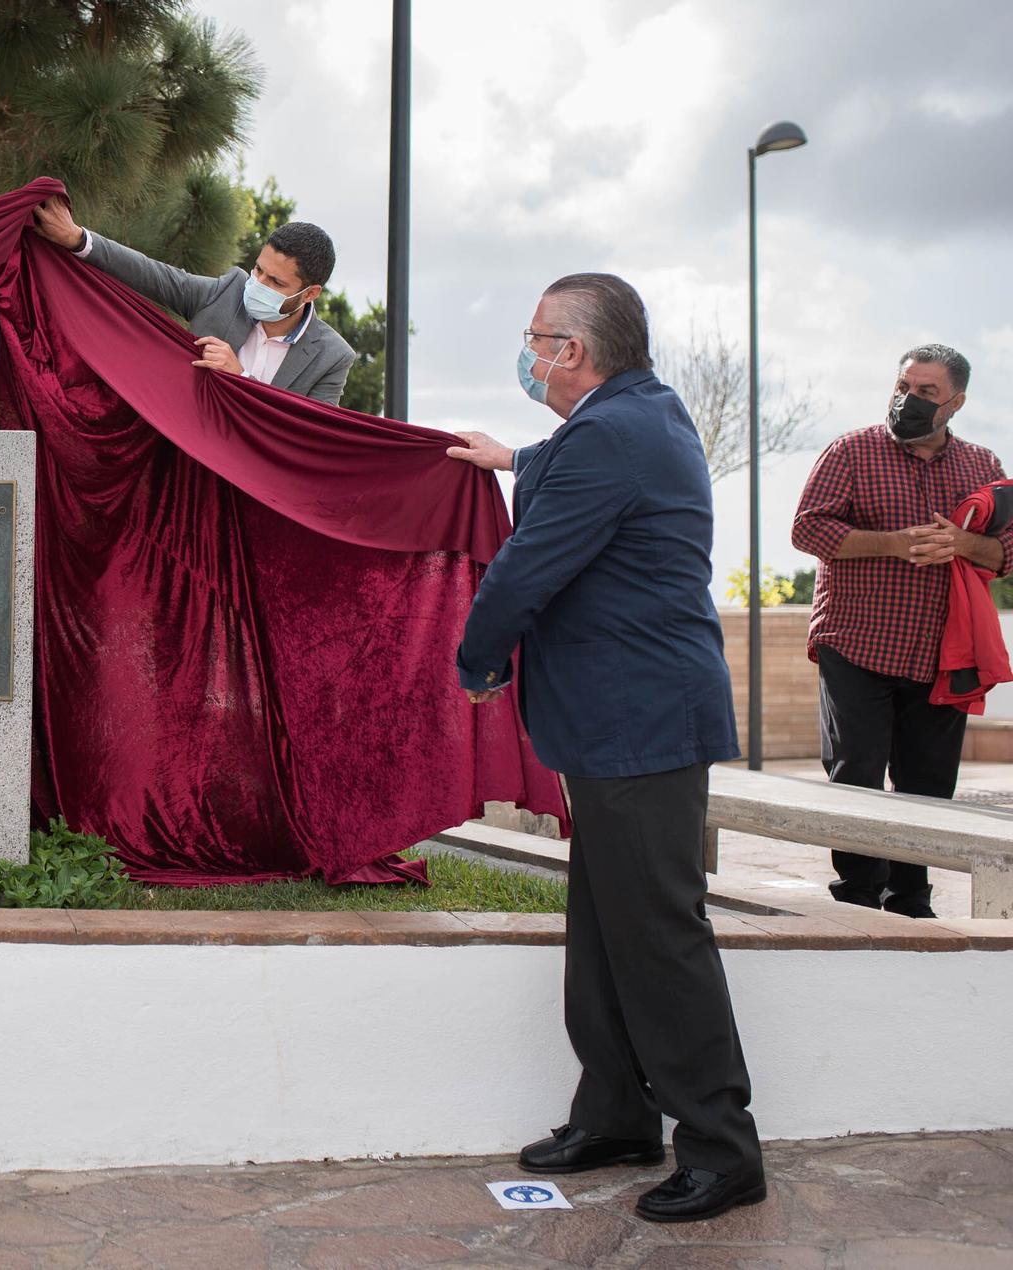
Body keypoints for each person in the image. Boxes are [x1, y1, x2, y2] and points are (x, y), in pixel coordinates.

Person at [446, 274, 764, 1223]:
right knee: (603, 928)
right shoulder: (635, 416)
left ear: (574, 354)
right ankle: (619, 1113)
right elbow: (567, 464)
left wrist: (474, 659)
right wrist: (512, 459)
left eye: (539, 338)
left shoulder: (615, 434)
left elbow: (526, 567)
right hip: (621, 723)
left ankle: (720, 1147)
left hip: (640, 723)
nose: (530, 352)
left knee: (660, 936)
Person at [791, 344, 1006, 918]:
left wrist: (961, 544)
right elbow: (807, 530)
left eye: (927, 392)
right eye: (903, 386)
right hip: (857, 643)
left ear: (955, 403)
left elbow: (1006, 551)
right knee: (855, 772)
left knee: (928, 784)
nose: (908, 399)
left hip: (941, 652)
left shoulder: (983, 467)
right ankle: (855, 898)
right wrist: (895, 542)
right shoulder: (852, 451)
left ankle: (911, 900)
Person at [30, 194, 356, 406]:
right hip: (184, 470)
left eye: (276, 282)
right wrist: (77, 239)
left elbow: (308, 434)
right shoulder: (225, 293)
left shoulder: (331, 357)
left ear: (310, 293)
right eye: (258, 270)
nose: (258, 284)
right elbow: (150, 274)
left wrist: (240, 380)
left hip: (256, 496)